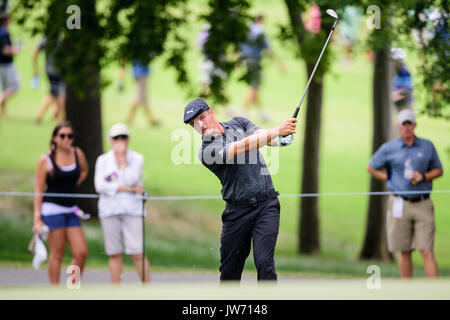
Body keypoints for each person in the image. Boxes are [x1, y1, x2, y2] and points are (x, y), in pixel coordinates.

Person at [183, 98, 297, 282]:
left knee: (264, 263)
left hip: (266, 206)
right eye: (193, 124)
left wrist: (282, 139)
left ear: (211, 112)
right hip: (237, 213)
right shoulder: (207, 152)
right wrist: (277, 130)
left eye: (202, 117)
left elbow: (264, 137)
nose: (200, 125)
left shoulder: (238, 122)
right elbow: (242, 146)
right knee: (230, 273)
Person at [367, 109, 443, 279]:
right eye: (404, 124)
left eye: (410, 124)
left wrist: (423, 176)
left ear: (415, 125)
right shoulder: (389, 148)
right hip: (399, 203)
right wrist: (389, 178)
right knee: (404, 251)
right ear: (399, 127)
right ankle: (408, 293)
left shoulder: (427, 146)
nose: (407, 128)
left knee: (427, 250)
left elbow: (439, 170)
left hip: (423, 202)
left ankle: (438, 292)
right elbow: (371, 167)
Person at [32, 121, 89, 285]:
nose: (67, 139)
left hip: (71, 210)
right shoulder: (46, 159)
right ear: (54, 138)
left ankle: (71, 288)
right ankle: (55, 292)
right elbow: (38, 189)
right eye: (62, 136)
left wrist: (72, 184)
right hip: (52, 210)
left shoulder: (78, 153)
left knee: (81, 252)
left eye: (70, 136)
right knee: (57, 254)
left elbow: (84, 170)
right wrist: (37, 218)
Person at [94, 123, 150, 284]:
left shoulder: (137, 158)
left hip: (132, 210)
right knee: (114, 253)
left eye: (123, 137)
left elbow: (131, 178)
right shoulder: (102, 160)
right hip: (109, 210)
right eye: (116, 137)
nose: (120, 140)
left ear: (128, 139)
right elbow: (100, 186)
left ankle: (149, 291)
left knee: (137, 252)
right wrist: (127, 188)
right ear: (110, 140)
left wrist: (123, 160)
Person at [239, 15, 285, 122]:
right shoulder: (260, 31)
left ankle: (261, 113)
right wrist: (278, 62)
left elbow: (241, 46)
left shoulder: (247, 30)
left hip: (247, 60)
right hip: (255, 61)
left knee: (254, 88)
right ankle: (244, 112)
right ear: (261, 20)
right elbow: (268, 48)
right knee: (254, 88)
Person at [33, 36, 66, 124]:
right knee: (61, 95)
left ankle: (42, 116)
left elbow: (35, 52)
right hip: (57, 71)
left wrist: (35, 68)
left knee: (54, 94)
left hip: (49, 70)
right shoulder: (59, 38)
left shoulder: (45, 38)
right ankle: (61, 120)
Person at [125, 60, 159, 126]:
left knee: (143, 98)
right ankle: (129, 119)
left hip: (139, 73)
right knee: (139, 98)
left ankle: (151, 119)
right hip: (141, 73)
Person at [0, 13, 21, 120]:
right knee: (15, 87)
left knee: (5, 89)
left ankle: (4, 114)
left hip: (2, 65)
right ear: (6, 20)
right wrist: (15, 50)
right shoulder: (3, 33)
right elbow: (5, 50)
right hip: (7, 65)